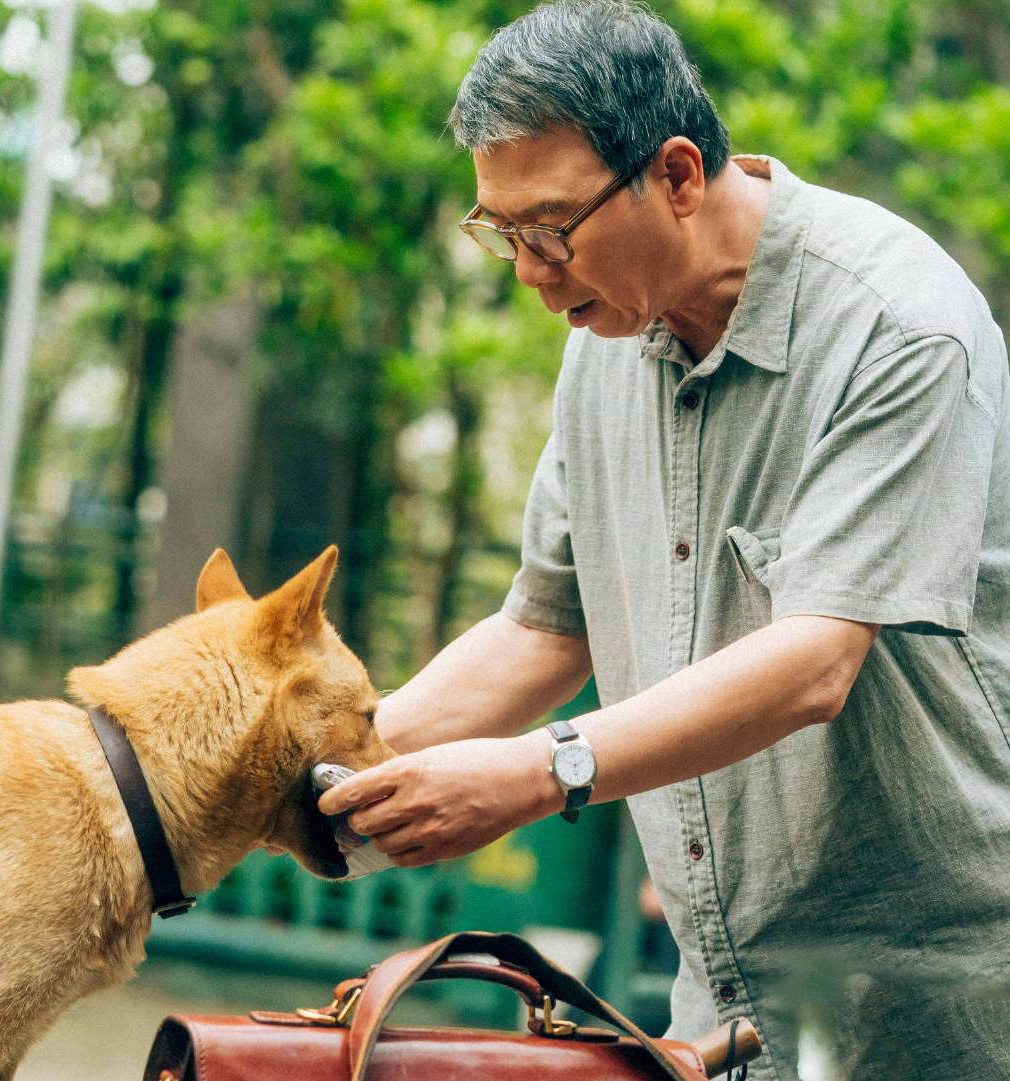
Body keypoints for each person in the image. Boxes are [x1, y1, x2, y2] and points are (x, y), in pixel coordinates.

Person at [315, 3, 1010, 1079]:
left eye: (550, 229)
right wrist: (332, 771)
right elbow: (543, 629)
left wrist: (539, 770)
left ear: (677, 175)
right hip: (716, 996)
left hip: (936, 998)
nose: (529, 272)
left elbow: (815, 659)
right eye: (501, 234)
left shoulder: (896, 324)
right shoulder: (608, 331)